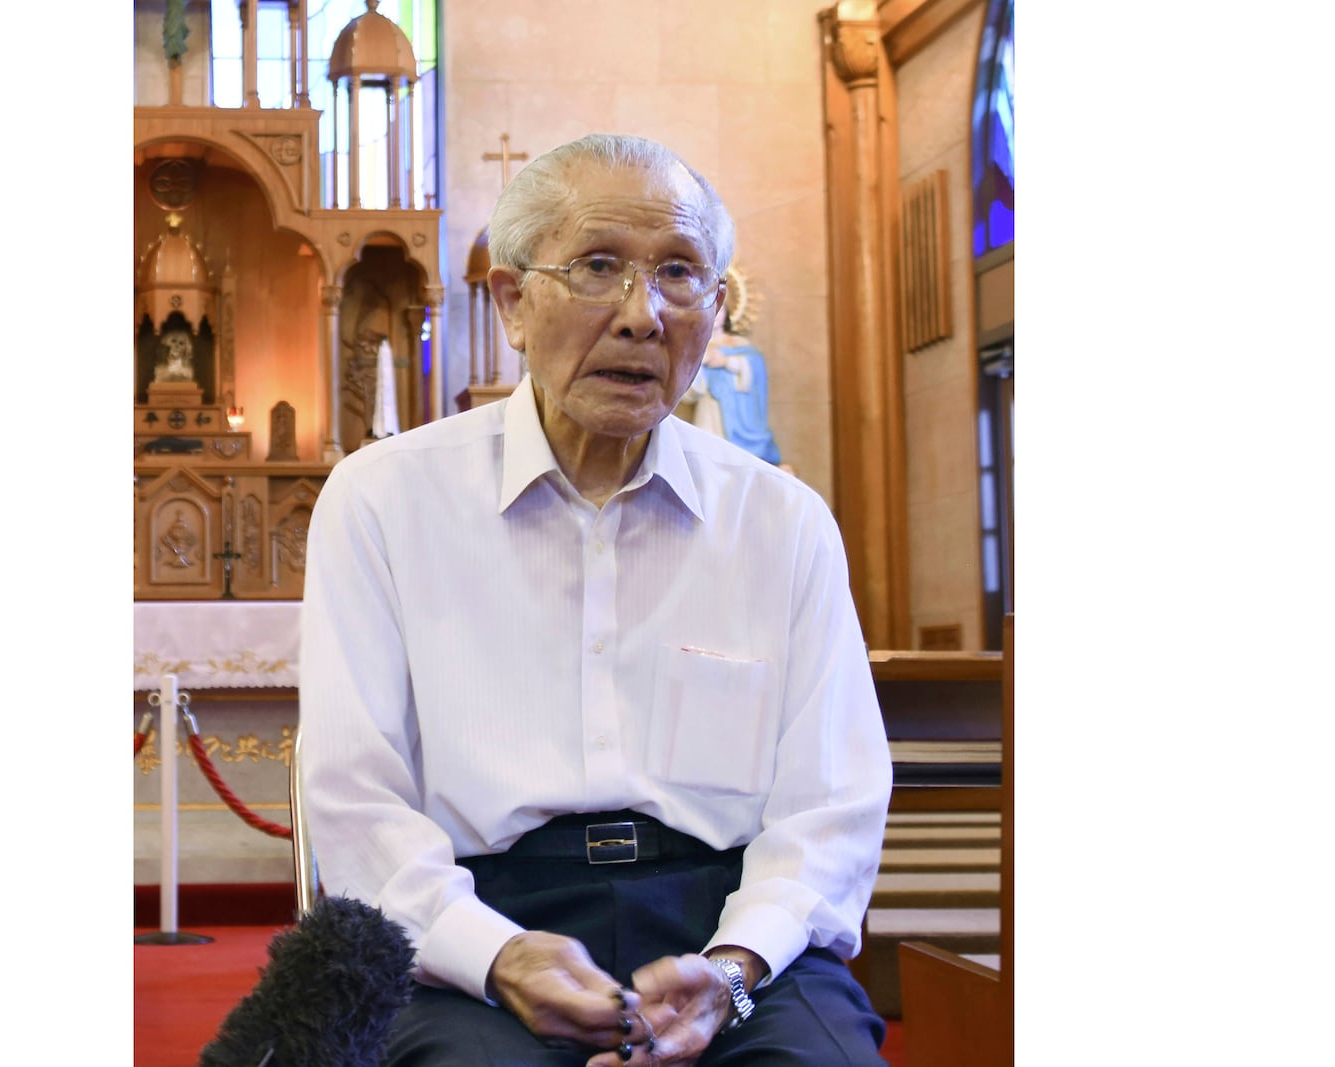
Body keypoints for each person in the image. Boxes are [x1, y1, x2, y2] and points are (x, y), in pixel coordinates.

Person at [297, 132, 892, 1067]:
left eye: (680, 274)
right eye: (599, 266)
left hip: (725, 927)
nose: (641, 315)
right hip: (477, 922)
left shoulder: (782, 522)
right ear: (512, 303)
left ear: (716, 309)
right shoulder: (383, 500)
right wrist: (493, 955)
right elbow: (355, 798)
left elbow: (832, 804)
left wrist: (734, 965)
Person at [683, 301, 781, 466]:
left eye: (720, 310)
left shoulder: (739, 344)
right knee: (707, 456)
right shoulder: (696, 346)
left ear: (726, 315)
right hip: (711, 408)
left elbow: (755, 366)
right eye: (710, 310)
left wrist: (728, 362)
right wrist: (702, 362)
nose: (716, 315)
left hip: (739, 410)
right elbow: (688, 388)